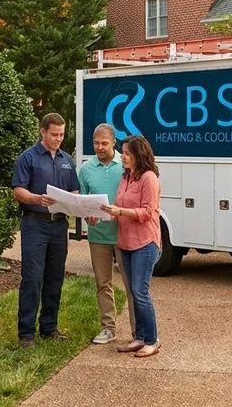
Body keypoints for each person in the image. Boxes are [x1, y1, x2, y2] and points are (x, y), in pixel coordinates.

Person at [11, 112, 79, 348]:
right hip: (35, 224)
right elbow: (18, 190)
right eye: (54, 134)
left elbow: (74, 190)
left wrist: (75, 201)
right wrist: (35, 198)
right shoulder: (27, 158)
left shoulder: (67, 159)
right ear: (42, 131)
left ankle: (49, 328)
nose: (58, 139)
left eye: (61, 134)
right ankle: (26, 334)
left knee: (54, 277)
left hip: (59, 226)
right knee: (32, 278)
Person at [101, 135, 162, 358]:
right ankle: (139, 338)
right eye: (123, 153)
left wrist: (121, 212)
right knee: (134, 293)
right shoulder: (126, 178)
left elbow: (147, 212)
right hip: (125, 243)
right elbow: (119, 206)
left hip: (145, 243)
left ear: (138, 154)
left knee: (140, 290)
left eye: (127, 153)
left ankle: (152, 340)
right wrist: (103, 214)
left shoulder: (149, 178)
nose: (123, 157)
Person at [78, 123, 134, 344]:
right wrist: (86, 216)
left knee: (132, 286)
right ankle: (108, 328)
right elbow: (82, 202)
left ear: (114, 142)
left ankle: (137, 332)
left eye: (104, 143)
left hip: (125, 234)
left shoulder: (126, 165)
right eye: (96, 143)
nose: (99, 147)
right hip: (98, 235)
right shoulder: (86, 169)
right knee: (103, 283)